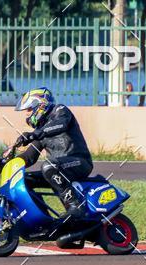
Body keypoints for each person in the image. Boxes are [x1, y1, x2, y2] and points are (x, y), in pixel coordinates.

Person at [12, 87, 93, 219]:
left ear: (40, 105)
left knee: (49, 166)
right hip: (56, 169)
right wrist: (6, 163)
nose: (26, 114)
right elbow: (29, 157)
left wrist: (35, 134)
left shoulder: (60, 110)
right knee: (25, 179)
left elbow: (61, 124)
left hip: (80, 162)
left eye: (29, 109)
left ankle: (76, 206)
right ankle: (43, 218)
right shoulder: (40, 130)